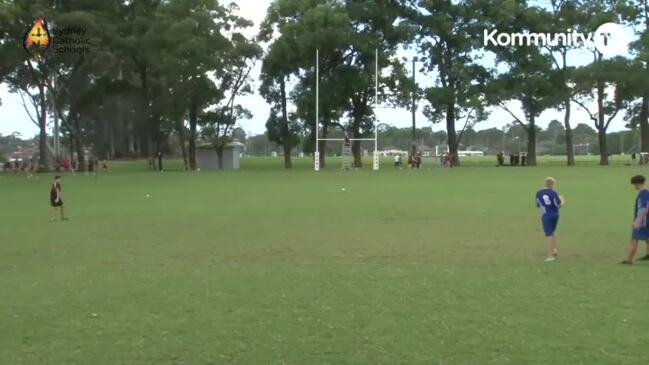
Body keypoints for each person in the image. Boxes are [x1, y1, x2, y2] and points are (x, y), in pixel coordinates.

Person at [535, 177, 564, 262]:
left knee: (549, 235)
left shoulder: (538, 193)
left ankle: (550, 256)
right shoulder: (554, 193)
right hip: (555, 215)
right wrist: (562, 200)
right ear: (552, 184)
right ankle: (554, 249)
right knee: (552, 232)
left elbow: (537, 205)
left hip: (546, 215)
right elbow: (558, 205)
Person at [622, 175, 649, 265]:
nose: (634, 187)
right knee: (647, 238)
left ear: (637, 184)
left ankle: (629, 260)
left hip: (642, 221)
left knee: (634, 239)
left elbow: (645, 207)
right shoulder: (646, 192)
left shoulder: (643, 193)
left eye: (634, 185)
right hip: (646, 220)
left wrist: (638, 221)